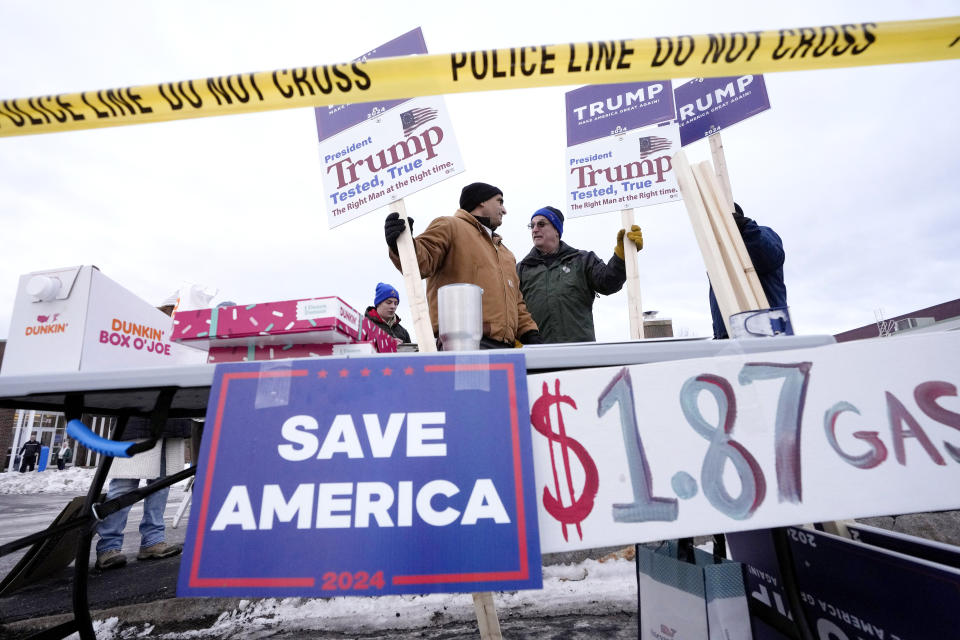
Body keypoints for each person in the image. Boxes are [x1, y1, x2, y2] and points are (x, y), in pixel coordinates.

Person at [384, 182, 542, 349]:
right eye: (500, 201)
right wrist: (401, 245)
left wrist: (529, 332)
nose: (504, 210)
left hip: (506, 348)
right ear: (482, 201)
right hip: (460, 343)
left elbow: (517, 303)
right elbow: (422, 262)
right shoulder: (450, 226)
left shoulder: (506, 254)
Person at [95, 301, 189, 570]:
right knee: (124, 485)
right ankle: (109, 546)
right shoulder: (138, 343)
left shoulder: (183, 347)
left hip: (171, 422)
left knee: (160, 486)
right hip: (137, 422)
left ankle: (153, 541)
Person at [517, 206, 644, 343]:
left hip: (579, 353)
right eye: (532, 225)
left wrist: (621, 257)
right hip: (538, 354)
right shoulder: (521, 269)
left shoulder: (583, 260)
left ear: (556, 230)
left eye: (541, 224)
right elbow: (512, 310)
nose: (535, 229)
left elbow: (608, 283)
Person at [709, 203, 786, 339]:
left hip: (767, 329)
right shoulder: (718, 255)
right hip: (729, 335)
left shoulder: (760, 233)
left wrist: (745, 228)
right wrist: (719, 335)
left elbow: (769, 258)